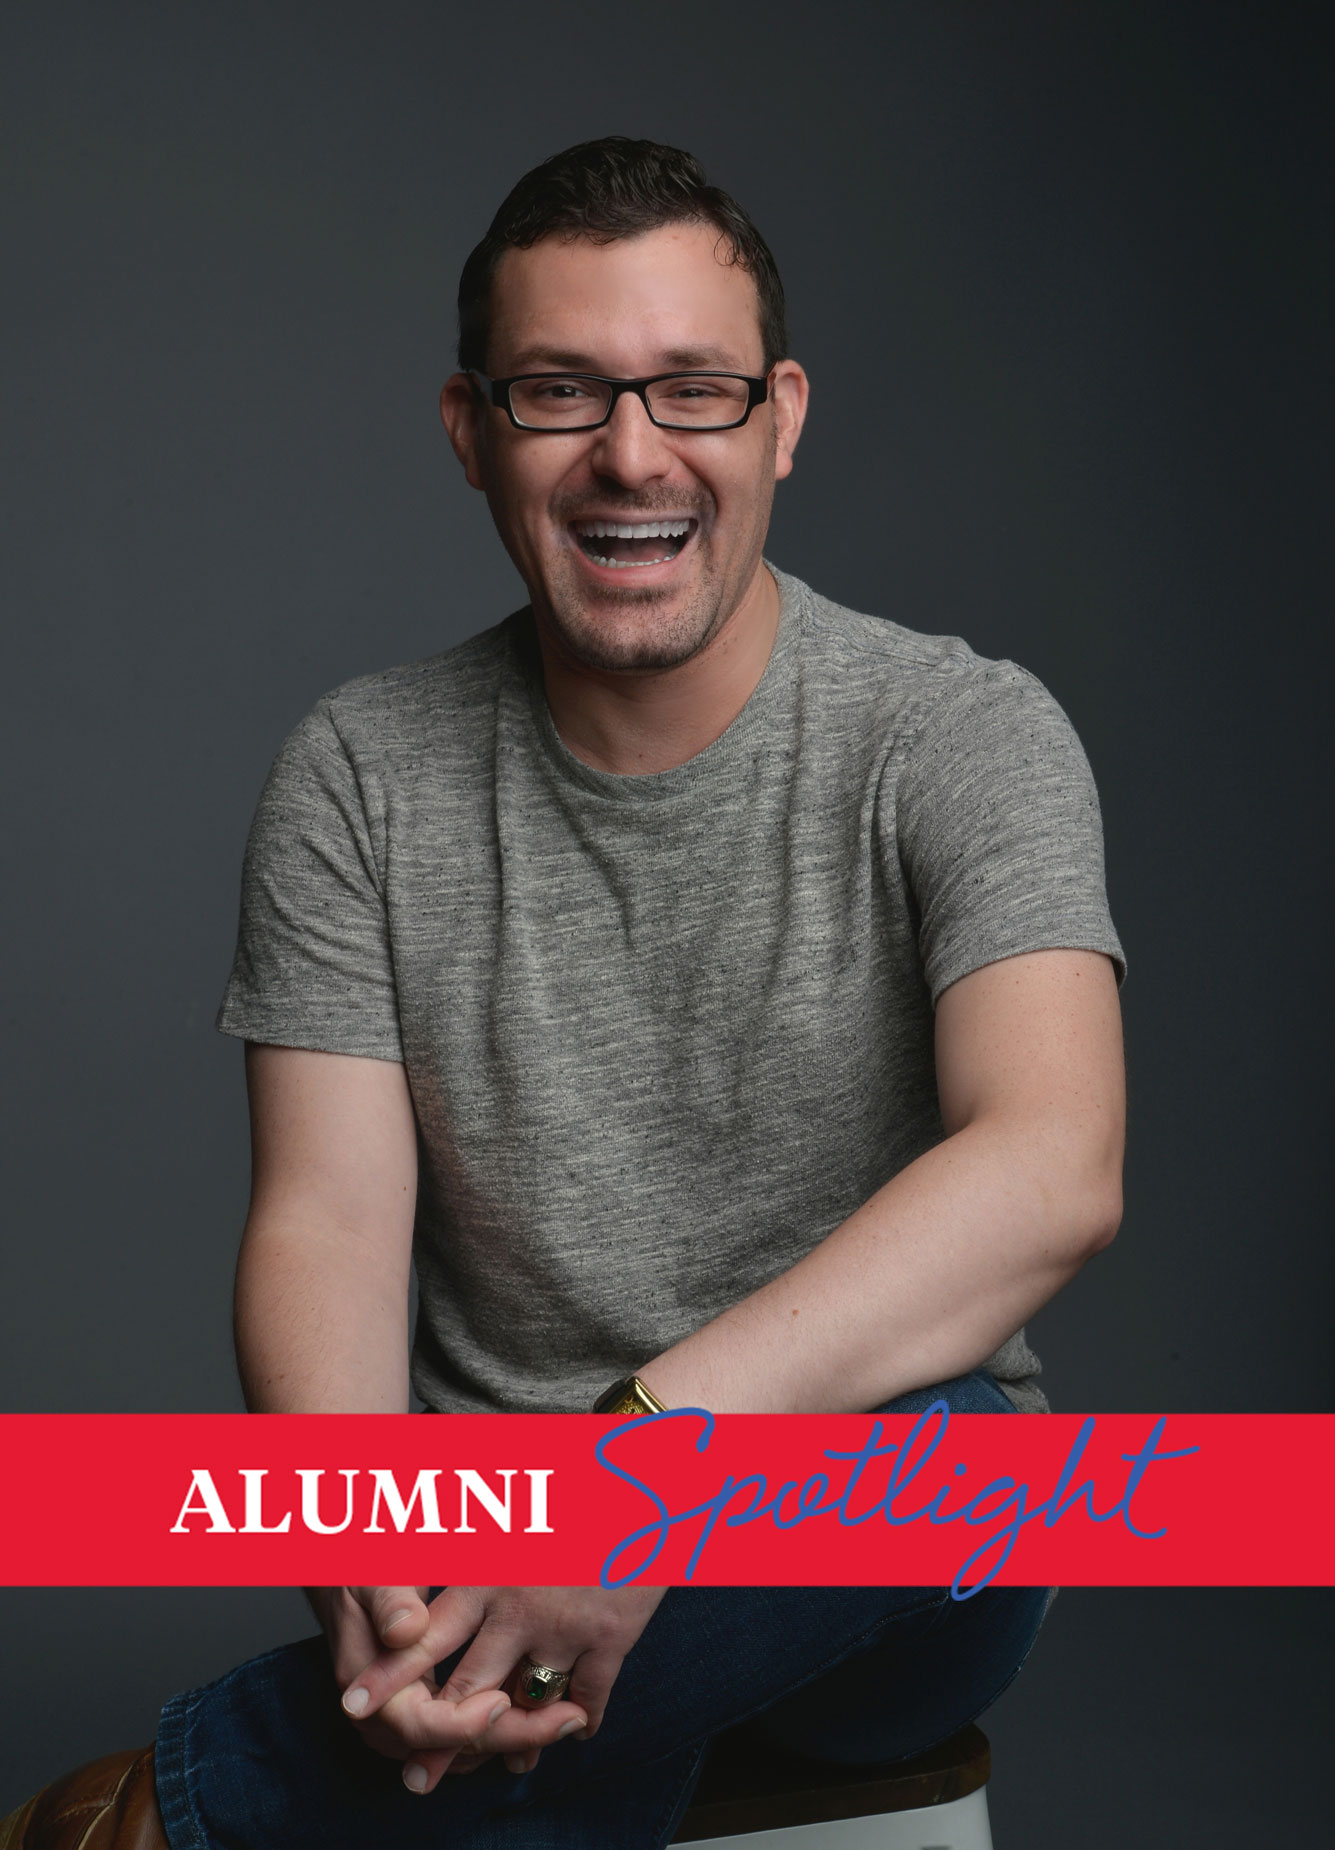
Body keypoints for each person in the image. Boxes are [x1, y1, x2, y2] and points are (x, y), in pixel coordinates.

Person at [5, 136, 1126, 1850]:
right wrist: (364, 1548)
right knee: (532, 1744)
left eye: (693, 389)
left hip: (869, 1569)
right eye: (560, 392)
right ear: (470, 431)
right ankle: (504, 1746)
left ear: (783, 419)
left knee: (987, 1474)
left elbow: (1051, 1168)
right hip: (476, 1539)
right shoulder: (360, 771)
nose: (630, 453)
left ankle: (190, 1808)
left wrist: (634, 1487)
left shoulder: (962, 734)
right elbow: (325, 1223)